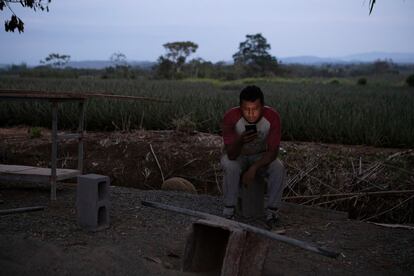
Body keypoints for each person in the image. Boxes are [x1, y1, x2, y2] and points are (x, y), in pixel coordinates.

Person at [220, 85, 286, 228]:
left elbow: (273, 152)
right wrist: (241, 140)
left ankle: (272, 213)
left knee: (278, 168)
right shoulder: (231, 117)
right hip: (238, 155)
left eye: (255, 109)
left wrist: (254, 168)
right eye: (246, 110)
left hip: (260, 156)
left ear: (262, 106)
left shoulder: (272, 117)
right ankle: (228, 211)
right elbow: (231, 154)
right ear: (239, 107)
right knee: (231, 167)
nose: (250, 114)